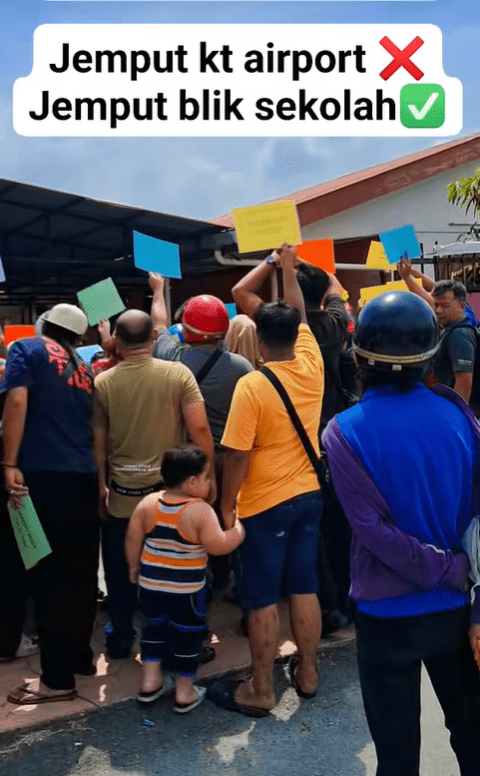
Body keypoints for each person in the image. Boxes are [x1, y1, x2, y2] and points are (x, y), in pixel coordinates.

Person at [322, 290, 480, 776]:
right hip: (457, 609)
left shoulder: (342, 431)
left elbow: (375, 534)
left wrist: (446, 569)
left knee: (396, 756)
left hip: (386, 617)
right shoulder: (460, 415)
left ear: (360, 356)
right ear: (431, 354)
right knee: (473, 740)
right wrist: (464, 581)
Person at [207, 244, 324, 717]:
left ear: (257, 340)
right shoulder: (312, 361)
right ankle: (309, 673)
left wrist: (227, 506)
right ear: (298, 333)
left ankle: (261, 687)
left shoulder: (252, 385)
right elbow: (295, 308)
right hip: (310, 495)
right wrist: (289, 267)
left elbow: (235, 455)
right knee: (304, 586)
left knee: (259, 597)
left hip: (263, 503)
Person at [93, 309, 215, 659]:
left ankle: (120, 637)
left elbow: (97, 443)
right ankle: (189, 636)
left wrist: (100, 486)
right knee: (180, 567)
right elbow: (200, 430)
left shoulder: (103, 383)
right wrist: (206, 479)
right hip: (171, 497)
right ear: (152, 338)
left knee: (119, 569)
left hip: (123, 498)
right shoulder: (178, 375)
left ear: (115, 339)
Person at [4, 303, 100, 704]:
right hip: (84, 476)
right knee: (80, 573)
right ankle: (81, 658)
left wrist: (9, 461)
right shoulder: (86, 368)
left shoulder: (25, 349)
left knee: (48, 576)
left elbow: (18, 403)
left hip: (42, 476)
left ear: (45, 324)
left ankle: (57, 680)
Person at [149, 275, 253, 589]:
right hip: (232, 459)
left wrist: (157, 290)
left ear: (189, 330)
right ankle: (227, 577)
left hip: (191, 461)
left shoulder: (174, 359)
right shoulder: (242, 367)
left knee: (191, 521)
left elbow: (158, 326)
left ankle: (199, 581)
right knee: (227, 517)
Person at [125, 447, 244, 712]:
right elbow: (217, 546)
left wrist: (134, 566)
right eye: (206, 478)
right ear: (192, 482)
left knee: (152, 630)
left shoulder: (148, 503)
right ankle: (184, 691)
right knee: (187, 637)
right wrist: (237, 531)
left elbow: (133, 537)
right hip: (186, 591)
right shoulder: (199, 510)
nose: (209, 483)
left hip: (151, 586)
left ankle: (150, 682)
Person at [398, 262, 477, 406]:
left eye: (444, 306)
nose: (438, 310)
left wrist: (455, 417)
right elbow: (430, 293)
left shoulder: (460, 335)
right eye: (436, 305)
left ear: (461, 307)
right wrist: (409, 274)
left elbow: (464, 382)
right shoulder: (455, 320)